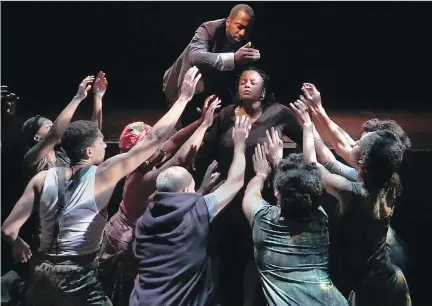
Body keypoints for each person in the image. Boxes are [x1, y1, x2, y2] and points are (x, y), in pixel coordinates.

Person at [1, 67, 202, 305]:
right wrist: (183, 99)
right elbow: (154, 139)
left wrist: (17, 243)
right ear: (88, 151)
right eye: (101, 144)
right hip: (77, 273)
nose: (106, 146)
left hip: (41, 270)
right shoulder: (103, 175)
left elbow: (8, 230)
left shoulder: (42, 179)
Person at [98, 95, 222, 306]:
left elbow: (172, 143)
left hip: (123, 232)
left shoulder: (142, 164)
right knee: (123, 291)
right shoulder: (142, 177)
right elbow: (180, 158)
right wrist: (205, 127)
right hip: (123, 242)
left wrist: (200, 121)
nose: (158, 145)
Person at [289, 99, 411, 306]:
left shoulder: (355, 193)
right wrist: (317, 113)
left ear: (363, 160)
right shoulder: (388, 181)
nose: (352, 143)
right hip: (389, 277)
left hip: (374, 289)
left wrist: (308, 126)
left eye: (357, 144)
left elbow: (314, 167)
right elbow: (330, 161)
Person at [197, 66, 302, 306]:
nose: (245, 84)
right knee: (226, 256)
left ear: (263, 91)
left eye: (252, 82)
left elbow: (303, 144)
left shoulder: (279, 114)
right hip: (227, 196)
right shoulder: (227, 115)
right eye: (242, 81)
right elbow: (208, 147)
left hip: (260, 195)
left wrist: (282, 165)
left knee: (256, 256)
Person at [130, 116, 251, 306]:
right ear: (186, 191)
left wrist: (201, 191)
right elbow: (235, 182)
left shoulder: (144, 220)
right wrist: (240, 145)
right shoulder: (198, 211)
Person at [242, 136, 349, 305]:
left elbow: (251, 194)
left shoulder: (263, 220)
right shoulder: (320, 218)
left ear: (277, 193)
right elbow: (302, 189)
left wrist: (261, 174)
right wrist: (278, 161)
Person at [163, 4, 260, 127]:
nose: (242, 33)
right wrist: (234, 58)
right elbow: (196, 57)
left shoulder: (245, 41)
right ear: (228, 21)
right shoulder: (208, 29)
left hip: (209, 91)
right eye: (239, 27)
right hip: (181, 86)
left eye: (247, 29)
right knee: (178, 132)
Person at [22, 72, 107, 177]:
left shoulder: (64, 154)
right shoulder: (31, 159)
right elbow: (54, 135)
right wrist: (78, 98)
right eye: (49, 126)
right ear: (36, 137)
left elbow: (93, 134)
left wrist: (98, 97)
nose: (55, 127)